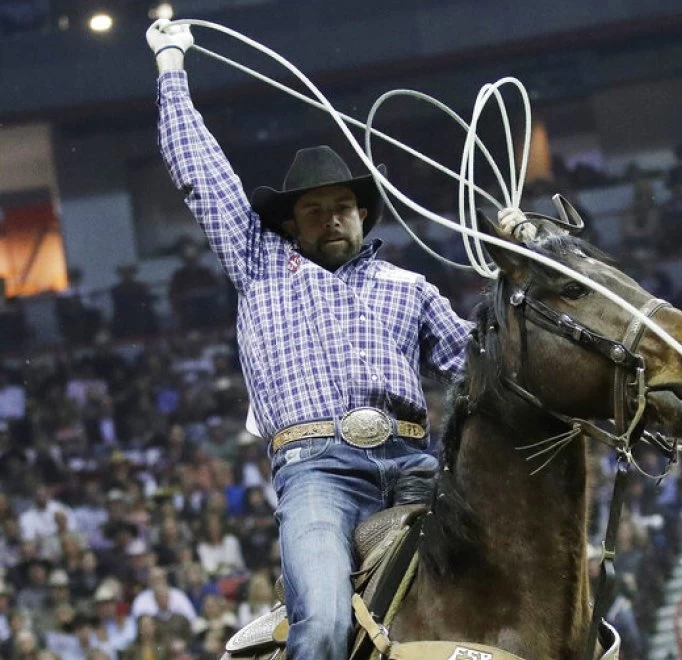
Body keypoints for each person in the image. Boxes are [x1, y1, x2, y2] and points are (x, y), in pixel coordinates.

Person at [147, 19, 473, 659]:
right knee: (321, 623)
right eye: (314, 210)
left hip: (418, 465)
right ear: (289, 223)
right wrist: (170, 70)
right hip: (318, 470)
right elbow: (200, 171)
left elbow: (479, 368)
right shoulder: (259, 263)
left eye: (341, 206)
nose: (331, 218)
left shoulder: (410, 287)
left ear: (362, 213)